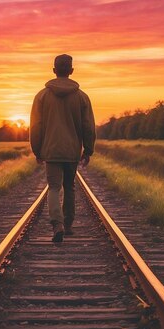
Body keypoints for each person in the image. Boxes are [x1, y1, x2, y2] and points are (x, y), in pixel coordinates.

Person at [30, 54, 96, 242]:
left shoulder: (41, 96)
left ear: (53, 70)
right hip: (72, 151)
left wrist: (37, 150)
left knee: (53, 187)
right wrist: (88, 150)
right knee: (69, 187)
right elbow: (88, 126)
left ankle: (56, 224)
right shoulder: (82, 97)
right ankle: (67, 225)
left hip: (51, 151)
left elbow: (35, 126)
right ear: (71, 71)